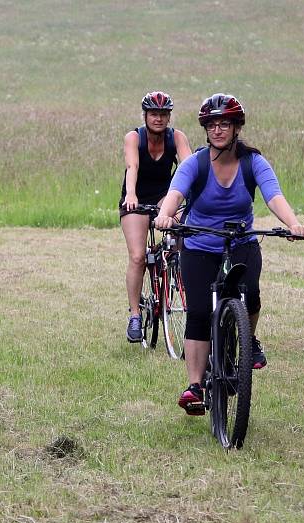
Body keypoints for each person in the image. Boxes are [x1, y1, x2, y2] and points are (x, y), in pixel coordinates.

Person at [153, 93, 304, 415]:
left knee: (251, 294)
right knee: (198, 313)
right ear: (205, 129)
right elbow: (176, 192)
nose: (218, 130)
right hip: (199, 242)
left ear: (237, 128)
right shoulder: (196, 163)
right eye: (212, 125)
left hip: (241, 241)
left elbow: (273, 196)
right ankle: (194, 385)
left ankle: (248, 343)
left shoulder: (253, 162)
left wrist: (293, 224)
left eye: (225, 124)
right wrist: (166, 215)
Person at [120, 91, 192, 342]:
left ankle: (177, 270)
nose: (159, 119)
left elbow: (188, 166)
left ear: (169, 116)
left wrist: (194, 197)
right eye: (154, 114)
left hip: (165, 196)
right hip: (137, 196)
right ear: (146, 115)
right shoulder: (134, 137)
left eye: (163, 114)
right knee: (138, 256)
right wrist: (131, 195)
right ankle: (135, 315)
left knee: (184, 230)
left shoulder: (177, 137)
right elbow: (133, 167)